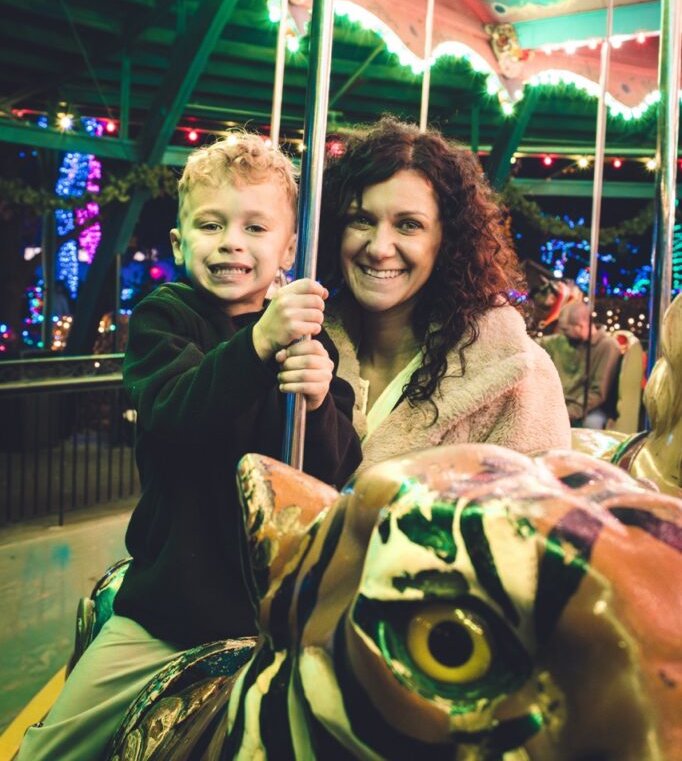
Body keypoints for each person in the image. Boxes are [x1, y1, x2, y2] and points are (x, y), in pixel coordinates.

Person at [17, 133, 361, 761]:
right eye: (212, 224)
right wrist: (258, 344)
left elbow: (330, 477)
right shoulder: (165, 318)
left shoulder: (310, 343)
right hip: (170, 613)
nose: (232, 241)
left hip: (276, 617)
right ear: (180, 243)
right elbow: (176, 416)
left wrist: (317, 403)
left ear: (287, 249)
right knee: (52, 749)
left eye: (256, 227)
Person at [317, 117, 570, 471]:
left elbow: (532, 517)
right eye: (362, 220)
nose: (379, 248)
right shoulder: (303, 343)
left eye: (409, 225)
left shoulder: (516, 374)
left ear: (447, 241)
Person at [541, 300, 622, 429]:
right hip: (561, 405)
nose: (563, 334)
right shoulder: (562, 341)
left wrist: (568, 413)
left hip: (590, 408)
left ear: (581, 325)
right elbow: (541, 343)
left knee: (591, 424)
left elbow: (598, 392)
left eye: (566, 330)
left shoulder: (608, 347)